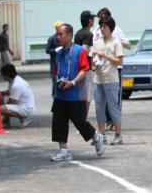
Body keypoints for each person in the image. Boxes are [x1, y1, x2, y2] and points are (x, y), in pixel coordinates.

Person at [49, 23, 105, 162]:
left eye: (61, 34)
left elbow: (84, 70)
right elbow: (56, 71)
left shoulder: (79, 51)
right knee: (58, 122)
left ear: (69, 35)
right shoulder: (59, 52)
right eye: (57, 34)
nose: (58, 37)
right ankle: (63, 151)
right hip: (60, 94)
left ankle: (96, 137)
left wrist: (73, 82)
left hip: (75, 94)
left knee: (80, 122)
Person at [91, 17, 124, 145]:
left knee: (113, 107)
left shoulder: (115, 42)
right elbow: (92, 59)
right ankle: (101, 135)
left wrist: (104, 55)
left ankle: (118, 135)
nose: (102, 29)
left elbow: (119, 61)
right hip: (98, 78)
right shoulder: (97, 43)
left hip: (111, 79)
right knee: (99, 107)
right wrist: (94, 60)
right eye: (101, 27)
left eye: (104, 27)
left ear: (111, 28)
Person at [0, 63, 34, 128]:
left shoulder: (16, 84)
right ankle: (7, 122)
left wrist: (4, 117)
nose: (2, 77)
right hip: (22, 105)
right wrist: (0, 93)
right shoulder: (13, 80)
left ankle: (23, 118)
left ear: (7, 75)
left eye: (2, 75)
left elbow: (11, 103)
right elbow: (10, 92)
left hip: (26, 109)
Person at [46, 21, 63, 95]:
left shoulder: (64, 37)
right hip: (54, 63)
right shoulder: (52, 38)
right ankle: (54, 96)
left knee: (62, 81)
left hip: (62, 62)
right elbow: (47, 50)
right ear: (56, 28)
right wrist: (55, 50)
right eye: (60, 27)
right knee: (55, 81)